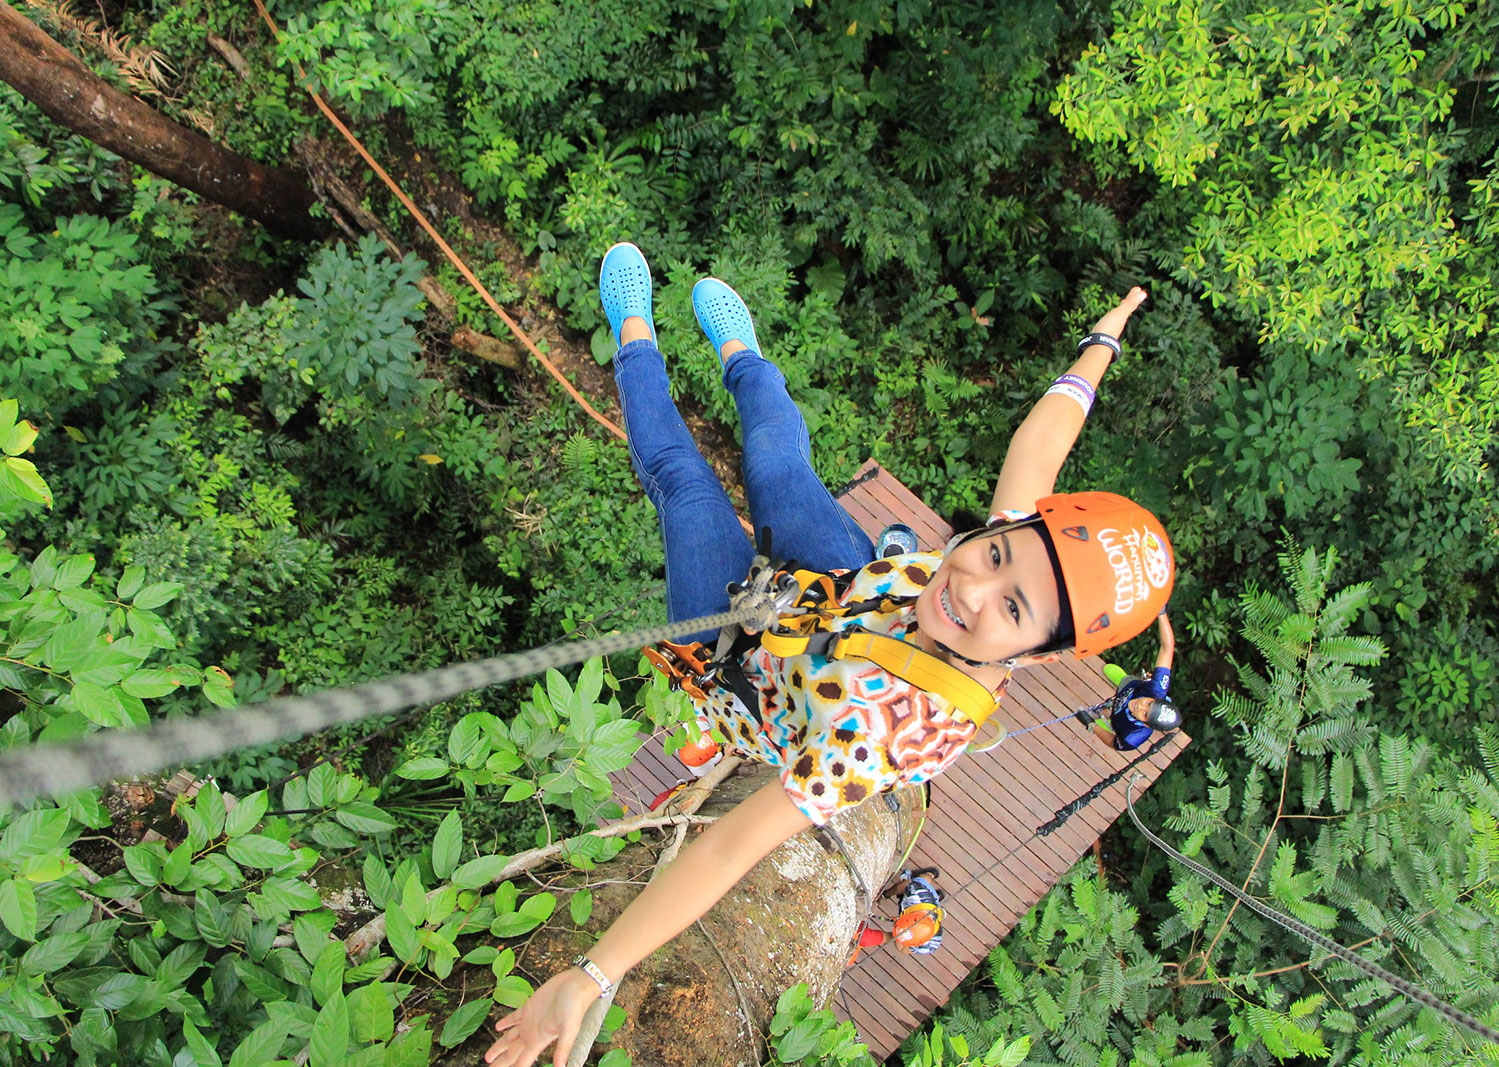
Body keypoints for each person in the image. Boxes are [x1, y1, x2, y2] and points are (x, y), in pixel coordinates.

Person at [484, 243, 1174, 1067]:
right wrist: (1105, 340)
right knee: (778, 457)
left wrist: (595, 973)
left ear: (1041, 652)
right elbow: (1042, 442)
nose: (974, 587)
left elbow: (733, 847)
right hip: (843, 583)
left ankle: (633, 334)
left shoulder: (883, 732)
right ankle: (743, 356)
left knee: (685, 481)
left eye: (1013, 608)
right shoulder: (995, 560)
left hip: (739, 657)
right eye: (994, 553)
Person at [1080, 609, 1180, 751]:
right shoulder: (1157, 689)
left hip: (1118, 721)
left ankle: (1104, 719)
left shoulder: (1133, 737)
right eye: (1149, 703)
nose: (1141, 706)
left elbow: (1113, 742)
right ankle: (1121, 678)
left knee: (1112, 722)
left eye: (1145, 714)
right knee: (1125, 681)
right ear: (1156, 699)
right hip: (1130, 687)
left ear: (1146, 725)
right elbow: (1167, 648)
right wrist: (1161, 613)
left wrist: (1092, 725)